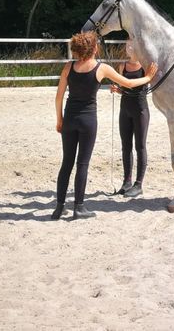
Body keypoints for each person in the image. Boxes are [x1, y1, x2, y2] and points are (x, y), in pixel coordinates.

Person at [52, 31, 157, 220]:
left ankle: (59, 207)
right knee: (82, 164)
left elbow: (59, 96)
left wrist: (59, 119)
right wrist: (148, 78)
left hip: (69, 119)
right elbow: (129, 83)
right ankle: (79, 207)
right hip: (88, 121)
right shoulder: (101, 68)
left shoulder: (69, 66)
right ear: (95, 48)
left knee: (66, 163)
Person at [110, 39, 150, 197]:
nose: (130, 48)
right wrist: (117, 90)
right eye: (127, 45)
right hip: (124, 110)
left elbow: (143, 88)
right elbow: (125, 88)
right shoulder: (122, 66)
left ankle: (139, 184)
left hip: (140, 110)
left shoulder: (146, 66)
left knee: (140, 146)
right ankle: (127, 181)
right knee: (125, 146)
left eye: (132, 45)